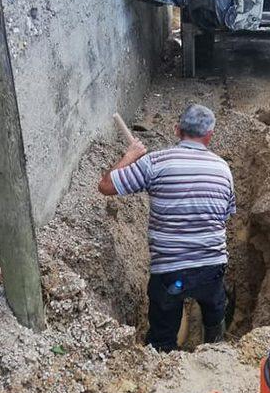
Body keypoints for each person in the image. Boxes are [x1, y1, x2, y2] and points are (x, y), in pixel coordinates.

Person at [98, 104, 236, 352]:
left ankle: (162, 358)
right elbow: (224, 217)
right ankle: (216, 348)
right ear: (209, 135)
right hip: (211, 270)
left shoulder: (155, 162)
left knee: (162, 337)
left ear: (176, 130)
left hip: (171, 273)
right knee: (215, 316)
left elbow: (106, 186)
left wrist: (131, 154)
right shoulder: (223, 169)